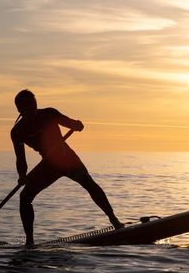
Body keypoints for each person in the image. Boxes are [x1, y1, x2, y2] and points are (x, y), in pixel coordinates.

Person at [11, 89, 124, 247]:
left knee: (89, 184)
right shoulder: (17, 131)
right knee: (25, 197)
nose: (33, 110)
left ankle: (114, 220)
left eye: (34, 105)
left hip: (67, 159)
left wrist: (77, 125)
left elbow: (69, 123)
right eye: (28, 108)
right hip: (48, 165)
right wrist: (22, 174)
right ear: (20, 110)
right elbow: (20, 159)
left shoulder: (49, 113)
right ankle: (29, 242)